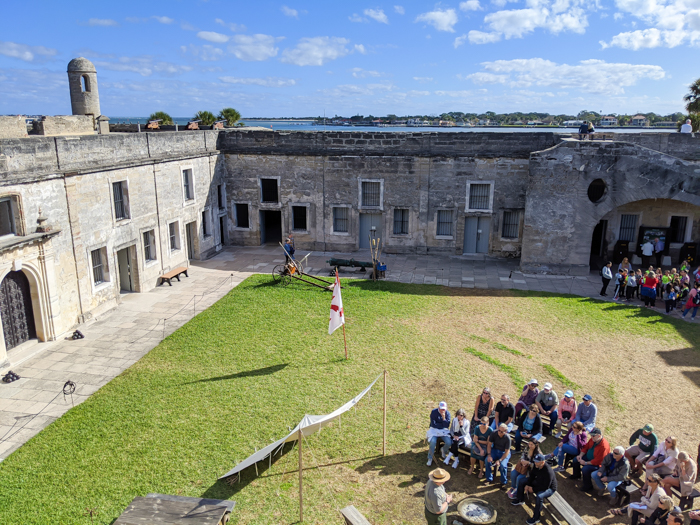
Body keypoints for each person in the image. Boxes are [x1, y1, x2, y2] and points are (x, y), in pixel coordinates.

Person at [511, 454, 558, 525]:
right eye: (535, 461)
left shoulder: (548, 471)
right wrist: (528, 485)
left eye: (537, 462)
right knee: (522, 481)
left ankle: (536, 518)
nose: (535, 463)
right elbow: (532, 476)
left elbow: (545, 487)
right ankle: (520, 499)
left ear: (542, 462)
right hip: (539, 482)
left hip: (549, 488)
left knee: (539, 496)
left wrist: (533, 489)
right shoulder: (536, 466)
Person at [426, 401, 452, 466]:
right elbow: (433, 424)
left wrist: (443, 418)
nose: (442, 410)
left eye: (444, 409)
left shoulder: (447, 414)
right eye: (441, 408)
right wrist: (442, 425)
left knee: (449, 442)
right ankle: (430, 457)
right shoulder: (434, 412)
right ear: (438, 407)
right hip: (434, 430)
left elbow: (447, 425)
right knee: (433, 442)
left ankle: (443, 450)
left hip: (443, 431)